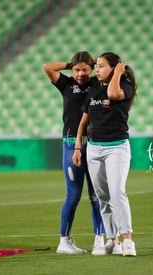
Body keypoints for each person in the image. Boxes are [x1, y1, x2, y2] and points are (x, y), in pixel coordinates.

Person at [72, 52, 138, 256]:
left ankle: (128, 240)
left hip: (116, 148)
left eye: (101, 66)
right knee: (102, 196)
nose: (97, 69)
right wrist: (77, 147)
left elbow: (113, 95)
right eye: (97, 66)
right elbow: (84, 121)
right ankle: (113, 241)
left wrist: (118, 73)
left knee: (117, 192)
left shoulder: (124, 87)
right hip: (93, 148)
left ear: (114, 68)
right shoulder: (93, 91)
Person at [43, 51, 105, 255]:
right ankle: (64, 241)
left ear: (92, 69)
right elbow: (48, 67)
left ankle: (100, 240)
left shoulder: (97, 84)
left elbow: (117, 70)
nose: (80, 74)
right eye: (77, 70)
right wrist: (73, 64)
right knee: (73, 195)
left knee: (96, 195)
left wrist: (96, 62)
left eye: (85, 70)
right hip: (71, 145)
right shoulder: (66, 84)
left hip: (95, 145)